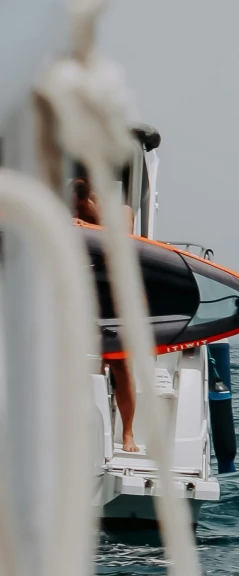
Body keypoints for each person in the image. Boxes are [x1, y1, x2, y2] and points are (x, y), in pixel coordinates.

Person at [72, 169, 139, 454]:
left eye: (78, 205)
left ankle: (127, 433)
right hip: (80, 293)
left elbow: (120, 242)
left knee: (120, 365)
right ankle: (89, 433)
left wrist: (88, 225)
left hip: (115, 294)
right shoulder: (69, 210)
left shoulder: (120, 212)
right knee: (90, 363)